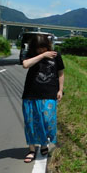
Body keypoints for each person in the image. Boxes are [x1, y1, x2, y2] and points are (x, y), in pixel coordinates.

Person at [21, 34, 64, 163]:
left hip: (49, 93)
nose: (41, 50)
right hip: (30, 94)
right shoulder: (30, 55)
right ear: (34, 47)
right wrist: (42, 56)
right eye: (38, 48)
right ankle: (32, 149)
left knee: (47, 120)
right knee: (31, 123)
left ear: (48, 46)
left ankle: (44, 144)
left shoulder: (56, 56)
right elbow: (25, 64)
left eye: (44, 48)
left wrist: (60, 90)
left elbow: (60, 73)